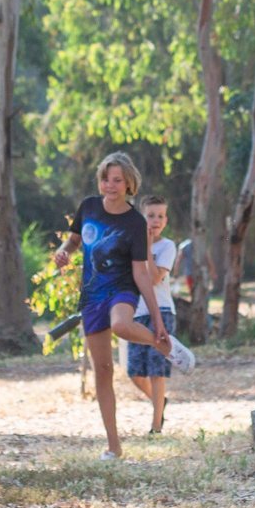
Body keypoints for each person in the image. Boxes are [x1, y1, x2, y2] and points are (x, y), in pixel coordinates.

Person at [52, 153, 195, 460]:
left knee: (120, 324)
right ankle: (114, 446)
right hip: (92, 295)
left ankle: (162, 343)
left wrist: (157, 320)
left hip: (122, 289)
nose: (110, 185)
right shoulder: (89, 207)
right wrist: (64, 252)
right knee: (103, 371)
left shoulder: (136, 223)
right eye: (106, 179)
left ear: (129, 183)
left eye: (117, 180)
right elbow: (74, 241)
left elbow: (142, 273)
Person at [128, 195, 177, 434]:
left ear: (166, 220)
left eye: (160, 216)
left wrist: (146, 247)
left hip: (162, 312)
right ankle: (160, 403)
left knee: (157, 371)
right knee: (135, 373)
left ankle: (156, 427)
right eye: (150, 216)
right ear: (141, 218)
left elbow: (155, 278)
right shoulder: (130, 244)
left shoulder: (167, 247)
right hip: (137, 313)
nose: (155, 220)